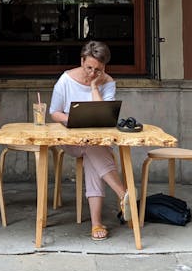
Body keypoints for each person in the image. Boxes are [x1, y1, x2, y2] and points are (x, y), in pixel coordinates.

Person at [48, 40, 133, 241]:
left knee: (93, 151)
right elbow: (54, 112)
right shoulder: (66, 80)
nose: (92, 73)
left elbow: (104, 115)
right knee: (92, 147)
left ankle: (97, 224)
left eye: (98, 70)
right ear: (82, 60)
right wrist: (73, 120)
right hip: (72, 141)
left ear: (104, 68)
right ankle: (123, 195)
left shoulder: (108, 82)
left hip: (96, 141)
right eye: (89, 68)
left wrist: (95, 87)